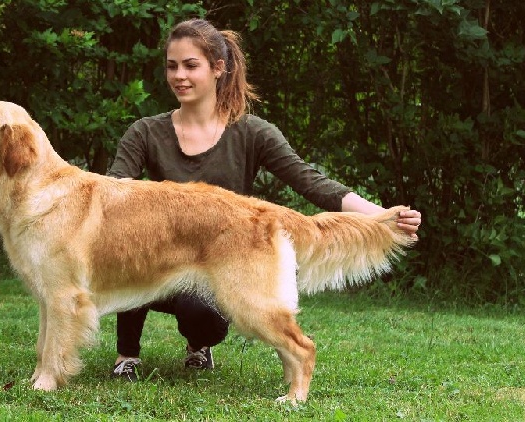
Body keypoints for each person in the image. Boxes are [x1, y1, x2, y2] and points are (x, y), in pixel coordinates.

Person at [106, 19, 422, 381]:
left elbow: (312, 182)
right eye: (172, 66)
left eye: (191, 65)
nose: (179, 76)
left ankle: (199, 345)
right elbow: (114, 191)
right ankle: (127, 355)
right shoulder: (145, 132)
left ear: (218, 68)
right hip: (156, 258)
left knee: (202, 316)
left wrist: (382, 216)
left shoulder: (252, 132)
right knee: (130, 240)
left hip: (216, 262)